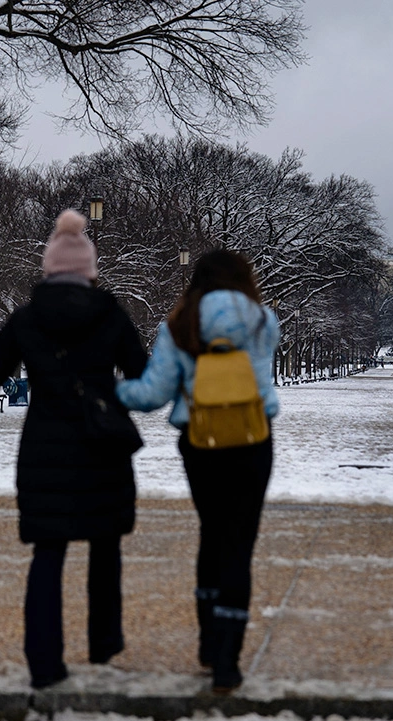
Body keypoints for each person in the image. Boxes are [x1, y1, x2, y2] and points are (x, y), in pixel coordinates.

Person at [0, 209, 147, 689]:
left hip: (44, 448)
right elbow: (142, 374)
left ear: (48, 268)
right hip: (102, 445)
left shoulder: (26, 319)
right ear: (90, 270)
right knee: (105, 546)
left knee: (48, 553)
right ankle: (103, 643)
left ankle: (44, 660)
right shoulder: (111, 313)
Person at [116, 249, 279, 694]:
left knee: (212, 533)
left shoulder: (180, 324)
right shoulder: (263, 321)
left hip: (200, 442)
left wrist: (112, 390)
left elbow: (153, 393)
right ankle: (228, 661)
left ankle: (208, 642)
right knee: (239, 542)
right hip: (252, 439)